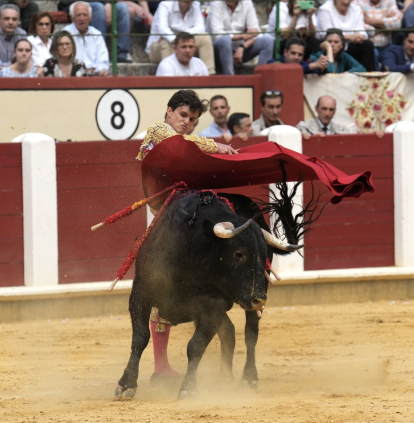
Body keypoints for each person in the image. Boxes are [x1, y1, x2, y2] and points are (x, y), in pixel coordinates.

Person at [137, 89, 237, 379]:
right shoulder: (159, 131)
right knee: (159, 288)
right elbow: (177, 143)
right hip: (168, 221)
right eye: (183, 115)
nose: (187, 123)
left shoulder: (187, 144)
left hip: (183, 218)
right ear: (168, 111)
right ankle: (160, 367)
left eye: (193, 120)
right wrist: (214, 146)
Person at [146, 0, 215, 74]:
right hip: (157, 47)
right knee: (166, 42)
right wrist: (177, 40)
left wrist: (181, 37)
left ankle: (209, 74)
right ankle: (170, 76)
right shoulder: (165, 5)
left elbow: (200, 27)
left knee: (204, 37)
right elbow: (162, 28)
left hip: (182, 43)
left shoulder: (195, 5)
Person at [207, 0, 274, 75]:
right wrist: (242, 36)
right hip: (218, 51)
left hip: (240, 50)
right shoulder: (216, 4)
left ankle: (262, 78)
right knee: (225, 40)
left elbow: (256, 33)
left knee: (267, 41)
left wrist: (242, 47)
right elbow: (218, 35)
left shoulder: (247, 3)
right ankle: (230, 80)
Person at [59, 0, 132, 63]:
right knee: (99, 8)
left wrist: (108, 3)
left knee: (123, 8)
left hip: (100, 2)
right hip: (74, 3)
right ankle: (99, 55)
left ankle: (121, 55)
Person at [317, 0, 376, 71]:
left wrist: (360, 37)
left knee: (367, 44)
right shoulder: (325, 9)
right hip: (331, 47)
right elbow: (327, 34)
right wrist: (351, 37)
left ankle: (368, 77)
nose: (346, 2)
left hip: (350, 47)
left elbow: (362, 31)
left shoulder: (356, 9)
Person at [63, 2, 109, 76]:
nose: (82, 18)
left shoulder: (96, 34)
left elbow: (103, 60)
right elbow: (63, 62)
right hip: (73, 77)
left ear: (90, 17)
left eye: (85, 15)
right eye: (78, 15)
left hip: (96, 76)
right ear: (72, 18)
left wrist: (96, 71)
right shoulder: (65, 34)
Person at [354, 0, 402, 70]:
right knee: (371, 53)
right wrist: (385, 21)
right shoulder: (358, 2)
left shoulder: (389, 1)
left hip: (387, 45)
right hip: (368, 46)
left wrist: (371, 21)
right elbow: (359, 26)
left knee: (395, 52)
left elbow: (397, 23)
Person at [0, 4, 26, 69]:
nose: (11, 22)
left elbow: (25, 61)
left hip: (17, 74)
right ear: (0, 20)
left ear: (18, 21)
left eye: (14, 19)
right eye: (7, 19)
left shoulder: (22, 34)